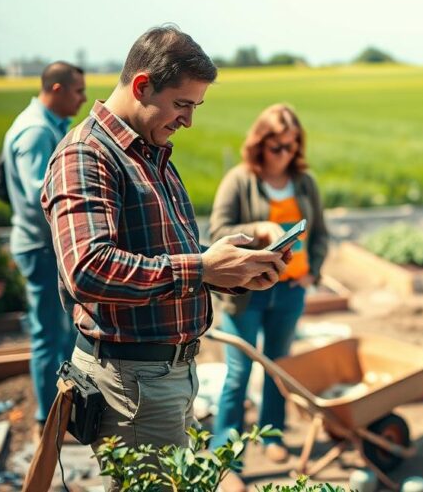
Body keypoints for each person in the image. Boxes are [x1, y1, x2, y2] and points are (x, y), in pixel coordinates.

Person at [40, 25, 290, 488]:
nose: (188, 120)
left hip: (163, 373)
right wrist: (203, 267)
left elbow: (165, 256)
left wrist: (227, 271)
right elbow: (89, 270)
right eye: (183, 104)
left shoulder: (149, 152)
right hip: (133, 380)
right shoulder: (86, 154)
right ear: (141, 86)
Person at [209, 104, 329, 491]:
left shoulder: (304, 182)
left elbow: (321, 232)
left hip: (290, 292)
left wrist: (314, 271)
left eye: (291, 147)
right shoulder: (239, 180)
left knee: (279, 369)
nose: (285, 155)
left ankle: (271, 436)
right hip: (246, 294)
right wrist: (259, 227)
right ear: (260, 143)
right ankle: (228, 457)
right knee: (240, 372)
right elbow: (218, 231)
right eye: (277, 147)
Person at [1, 61, 87, 438]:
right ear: (56, 89)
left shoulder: (48, 126)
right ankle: (46, 422)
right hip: (42, 248)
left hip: (43, 246)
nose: (83, 99)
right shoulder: (37, 133)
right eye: (78, 91)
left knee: (60, 333)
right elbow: (46, 197)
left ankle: (58, 416)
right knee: (49, 335)